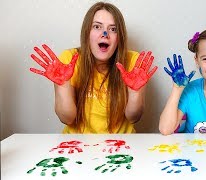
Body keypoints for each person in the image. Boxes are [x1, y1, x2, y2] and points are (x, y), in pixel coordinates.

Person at [29, 2, 157, 133]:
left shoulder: (134, 63)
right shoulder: (69, 60)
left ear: (120, 38)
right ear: (87, 33)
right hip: (78, 144)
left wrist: (135, 93)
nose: (105, 34)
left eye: (113, 29)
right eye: (97, 27)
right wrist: (63, 86)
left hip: (119, 145)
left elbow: (133, 118)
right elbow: (67, 118)